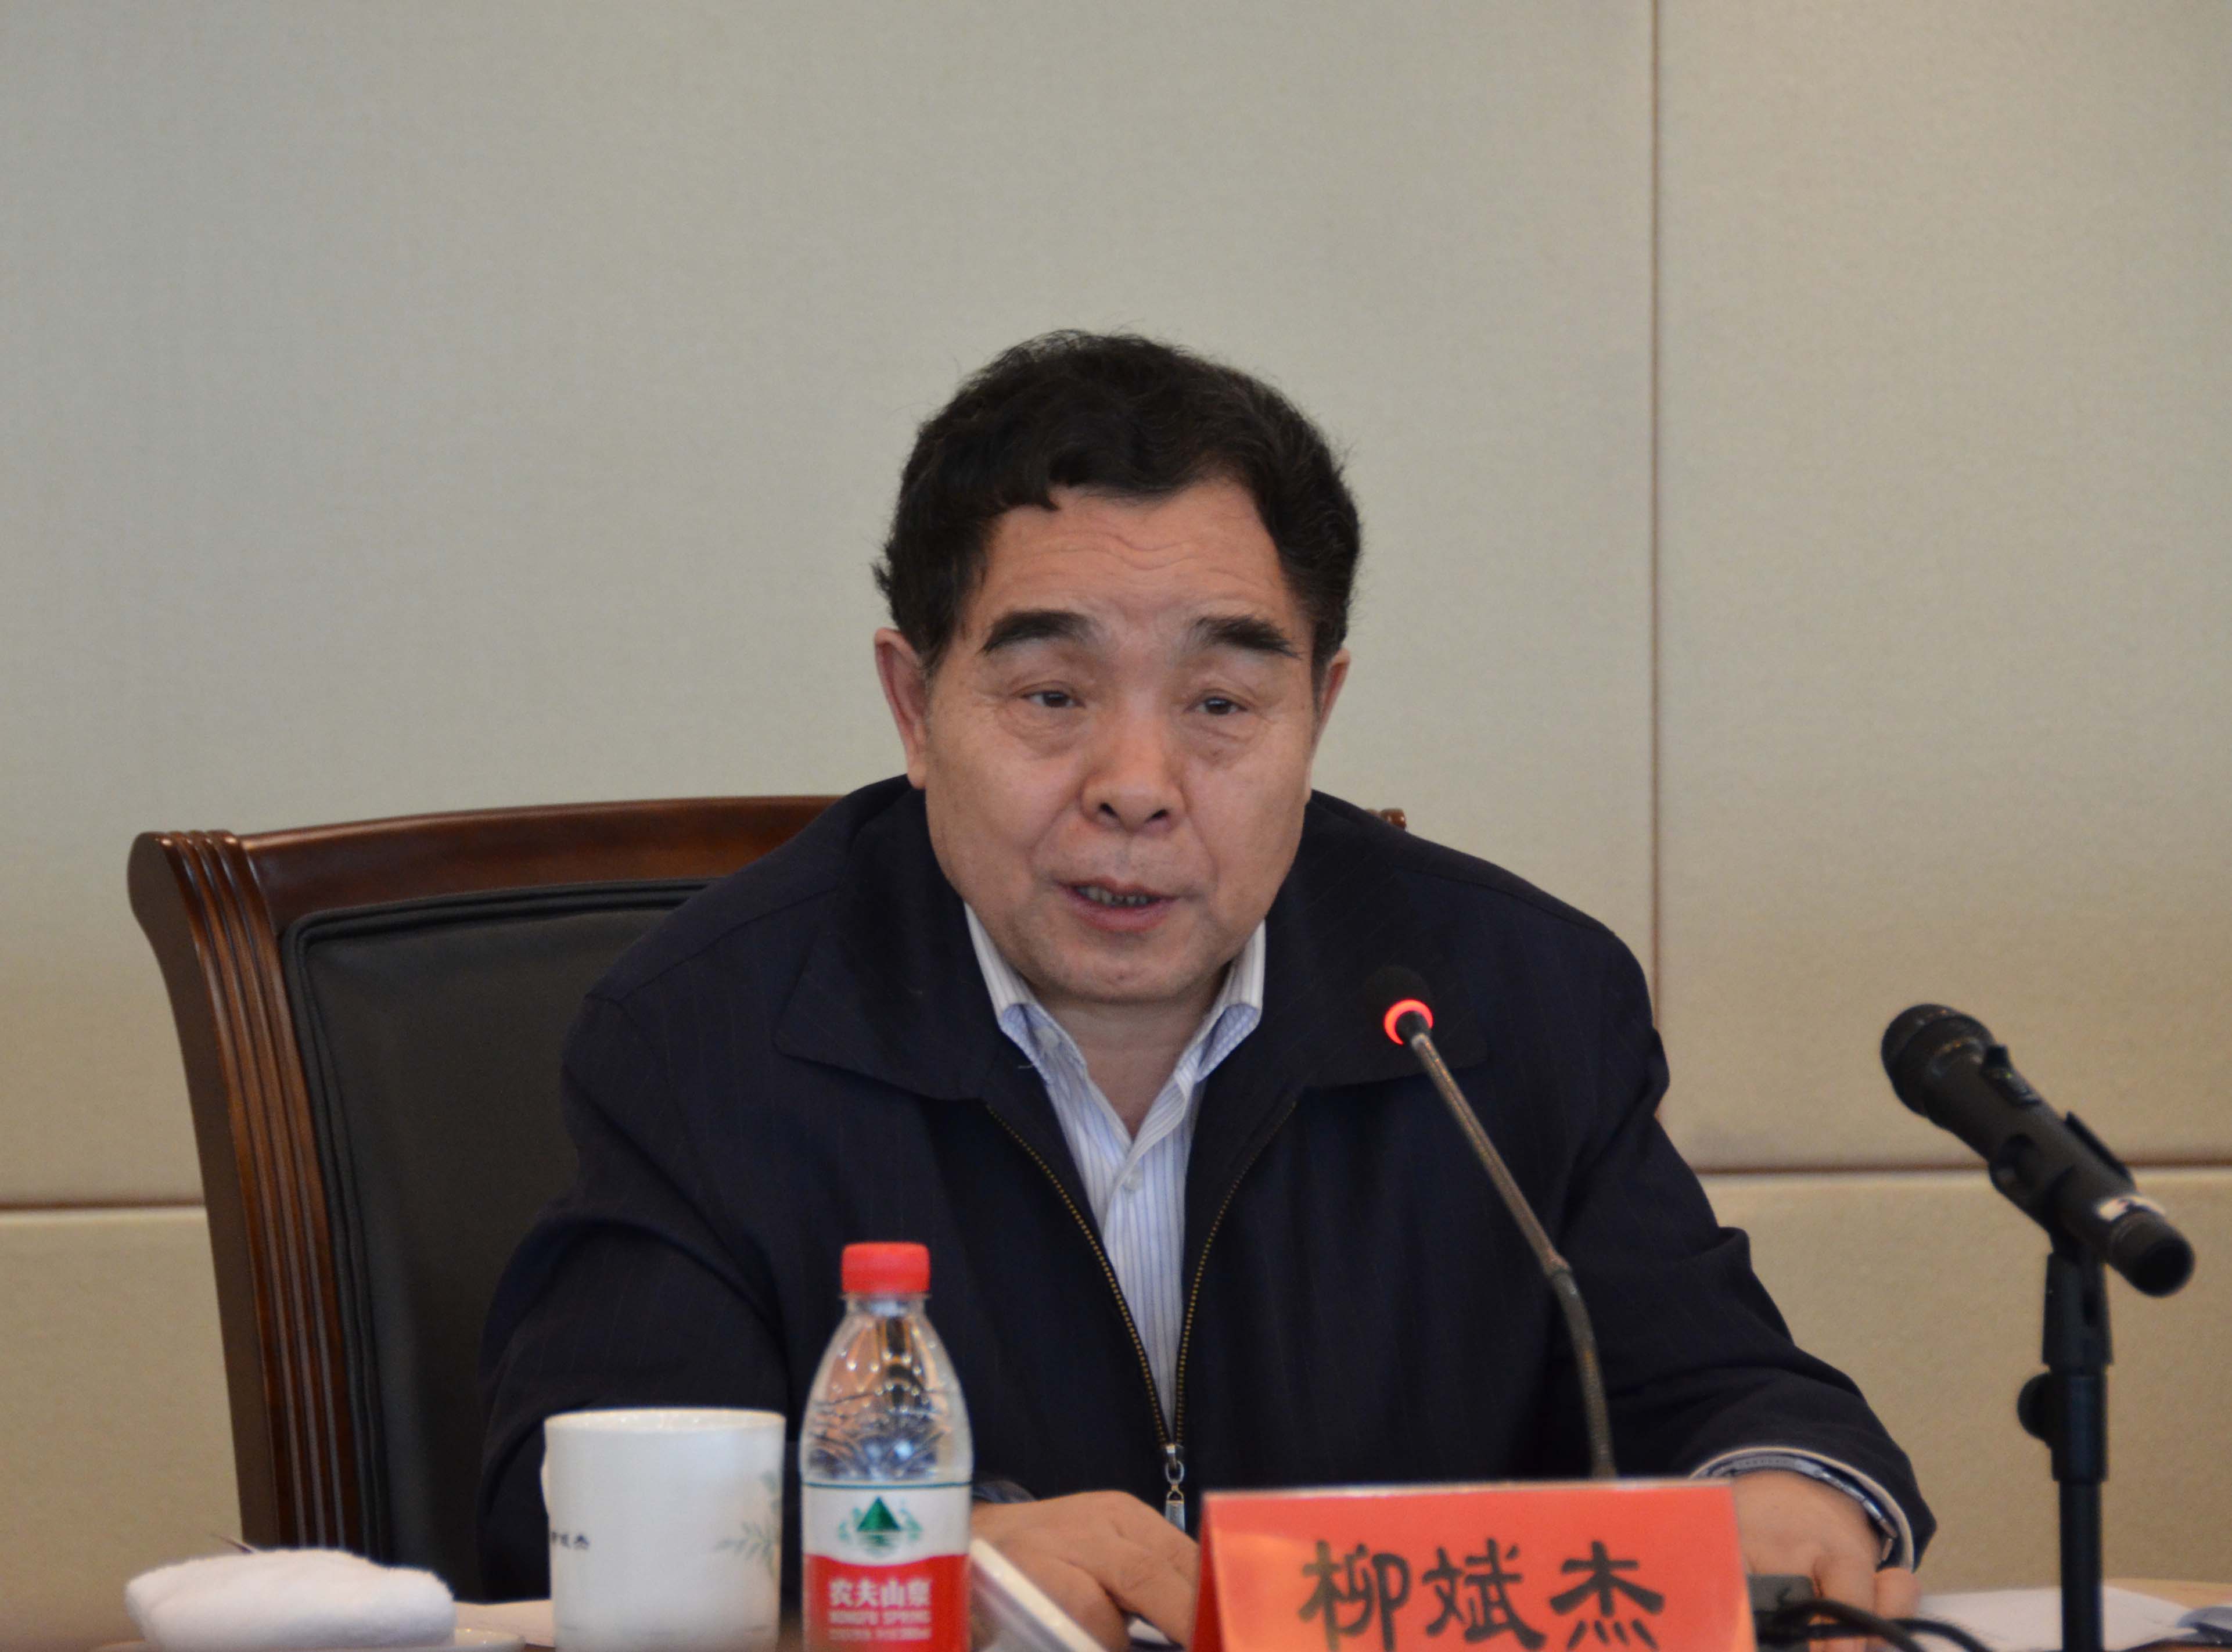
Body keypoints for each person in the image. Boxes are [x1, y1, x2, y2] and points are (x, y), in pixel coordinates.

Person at [479, 332, 1931, 1649]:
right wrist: (920, 1568)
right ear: (915, 708)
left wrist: (1784, 1497)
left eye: (1221, 704)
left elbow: (1722, 1393)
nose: (1136, 786)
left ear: (1318, 710)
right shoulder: (706, 1036)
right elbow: (575, 1516)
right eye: (1052, 697)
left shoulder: (1510, 1004)